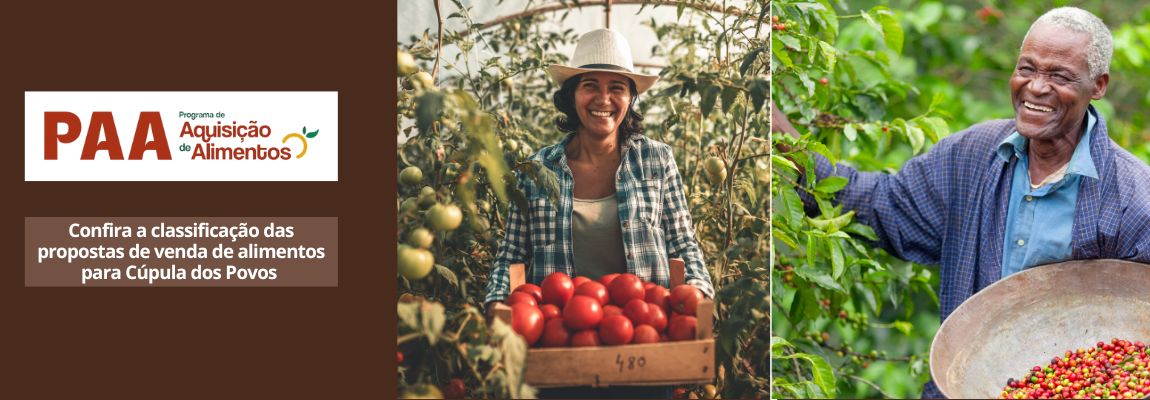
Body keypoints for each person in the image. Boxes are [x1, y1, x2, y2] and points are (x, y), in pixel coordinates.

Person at [772, 7, 1150, 399]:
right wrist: (782, 136)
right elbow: (883, 204)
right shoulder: (972, 156)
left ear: (1098, 85)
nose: (1037, 87)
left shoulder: (1134, 198)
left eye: (1059, 76)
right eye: (1027, 69)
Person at [483, 28, 715, 398]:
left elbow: (683, 243)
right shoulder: (537, 169)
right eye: (590, 85)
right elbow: (510, 255)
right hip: (557, 350)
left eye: (617, 88)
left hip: (644, 349)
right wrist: (498, 306)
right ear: (571, 95)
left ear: (630, 98)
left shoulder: (656, 160)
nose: (603, 99)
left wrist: (698, 294)